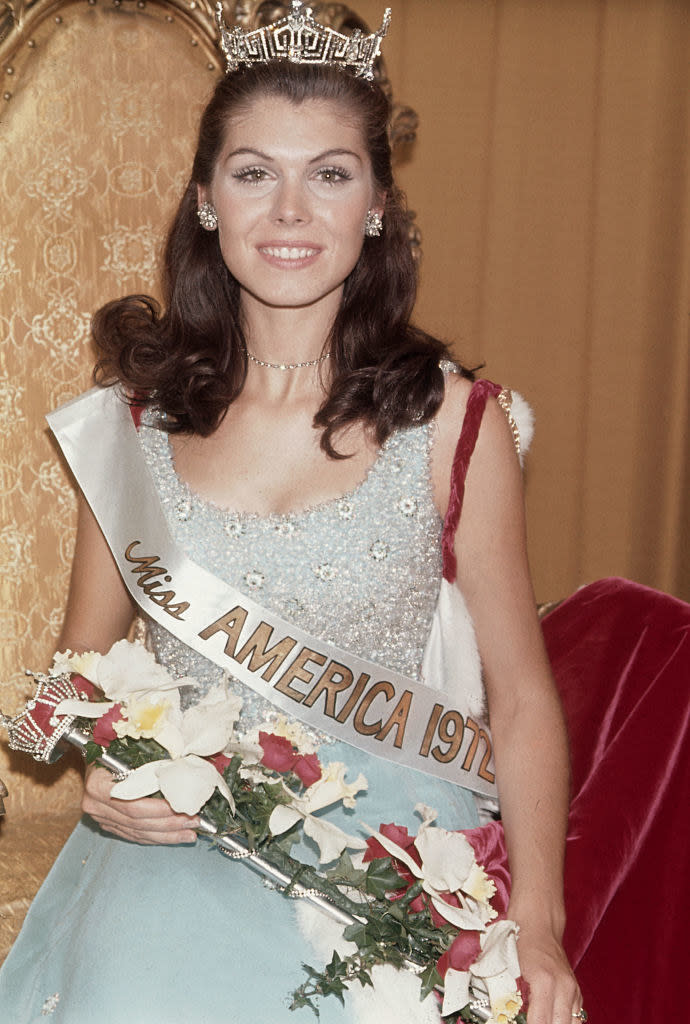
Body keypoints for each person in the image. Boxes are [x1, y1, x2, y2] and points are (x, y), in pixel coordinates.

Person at [0, 5, 586, 1023]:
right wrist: (104, 768)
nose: (289, 211)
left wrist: (539, 924)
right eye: (253, 171)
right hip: (180, 839)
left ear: (375, 206)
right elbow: (76, 670)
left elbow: (522, 702)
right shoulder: (139, 424)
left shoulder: (454, 426)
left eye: (330, 172)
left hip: (391, 850)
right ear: (206, 201)